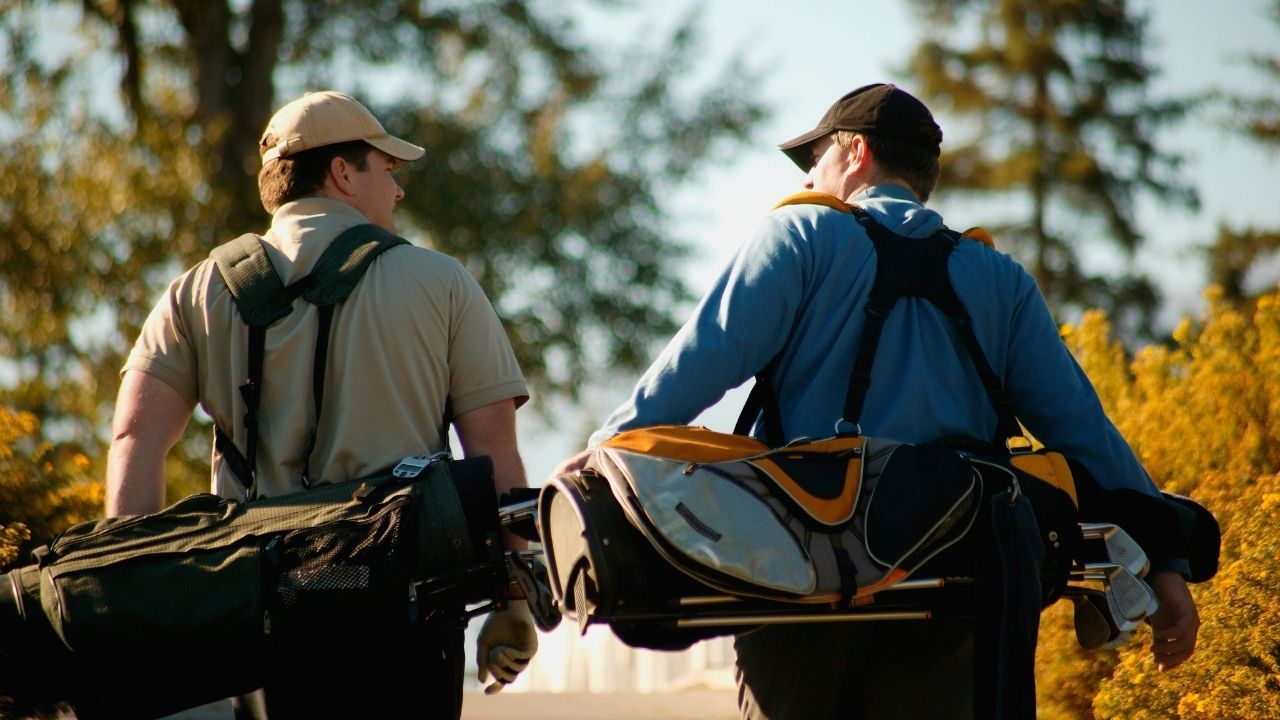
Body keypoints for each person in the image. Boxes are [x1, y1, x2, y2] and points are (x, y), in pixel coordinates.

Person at [554, 83, 1199, 719]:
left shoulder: (800, 235)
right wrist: (1166, 562)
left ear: (855, 153)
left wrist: (595, 460)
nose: (812, 178)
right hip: (958, 583)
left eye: (818, 160)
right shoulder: (998, 277)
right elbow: (1083, 429)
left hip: (806, 574)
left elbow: (693, 369)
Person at [106, 90, 538, 719]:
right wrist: (513, 600)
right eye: (386, 170)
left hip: (255, 610)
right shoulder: (443, 282)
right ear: (342, 172)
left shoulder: (196, 290)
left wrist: (127, 604)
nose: (398, 191)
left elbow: (135, 444)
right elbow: (494, 454)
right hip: (404, 607)